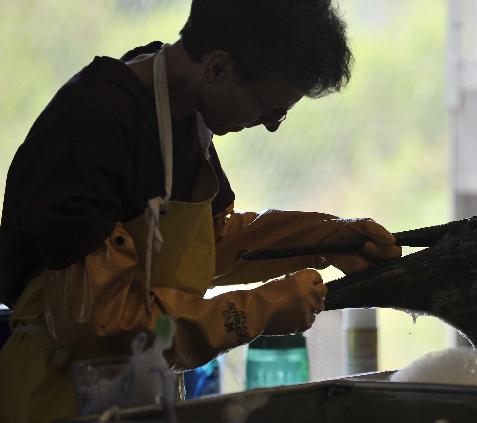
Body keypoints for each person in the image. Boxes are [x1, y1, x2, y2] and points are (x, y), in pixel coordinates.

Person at [0, 1, 402, 422]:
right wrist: (259, 308)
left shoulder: (182, 114)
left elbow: (208, 244)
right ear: (217, 68)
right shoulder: (92, 125)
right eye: (270, 107)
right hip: (56, 397)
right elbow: (102, 324)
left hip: (136, 396)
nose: (269, 124)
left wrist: (325, 239)